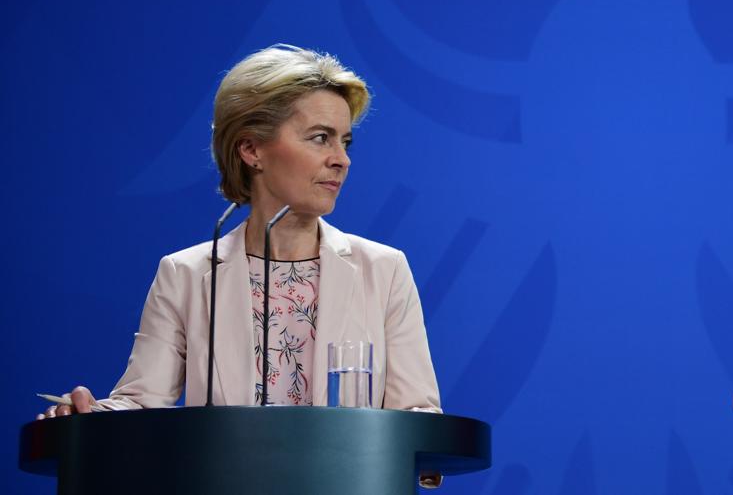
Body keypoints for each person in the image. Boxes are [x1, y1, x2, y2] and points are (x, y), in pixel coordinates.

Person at [40, 45, 440, 419]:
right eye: (321, 138)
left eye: (345, 141)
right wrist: (88, 418)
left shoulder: (384, 271)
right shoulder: (185, 274)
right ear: (251, 150)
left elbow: (418, 418)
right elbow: (141, 406)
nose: (341, 160)